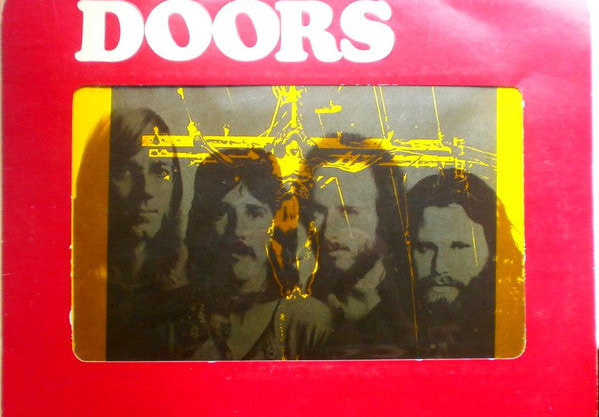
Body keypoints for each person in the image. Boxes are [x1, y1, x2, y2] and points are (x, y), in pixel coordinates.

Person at [186, 151, 331, 360]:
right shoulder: (181, 322)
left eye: (254, 213)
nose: (237, 231)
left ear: (275, 224)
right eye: (221, 212)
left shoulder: (310, 323)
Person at [101, 108, 205, 360]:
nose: (146, 189)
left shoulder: (196, 289)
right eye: (125, 170)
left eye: (159, 170)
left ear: (175, 188)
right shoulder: (78, 288)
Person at [400, 168, 523, 358]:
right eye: (424, 247)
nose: (439, 267)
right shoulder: (380, 329)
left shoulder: (518, 329)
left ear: (493, 251)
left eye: (459, 247)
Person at [306, 146, 412, 359]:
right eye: (319, 211)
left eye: (348, 211)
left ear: (383, 217)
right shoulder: (297, 310)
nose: (328, 229)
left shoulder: (415, 307)